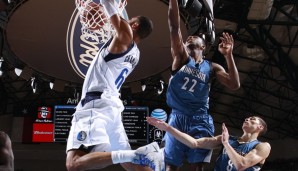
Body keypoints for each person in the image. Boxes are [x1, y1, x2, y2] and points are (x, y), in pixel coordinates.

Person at [65, 0, 155, 170]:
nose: (126, 22)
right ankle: (133, 156)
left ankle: (132, 154)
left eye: (130, 21)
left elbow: (107, 2)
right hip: (112, 108)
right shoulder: (136, 53)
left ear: (134, 25)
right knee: (131, 166)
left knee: (73, 163)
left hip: (96, 105)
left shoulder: (126, 35)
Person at [161, 0, 240, 170]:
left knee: (199, 167)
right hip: (178, 117)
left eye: (194, 37)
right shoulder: (181, 57)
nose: (189, 36)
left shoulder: (212, 67)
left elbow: (234, 85)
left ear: (203, 46)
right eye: (188, 36)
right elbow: (174, 27)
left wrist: (228, 56)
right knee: (170, 166)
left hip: (200, 119)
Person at [146, 116, 271, 171]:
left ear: (260, 127)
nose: (247, 119)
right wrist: (168, 128)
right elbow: (194, 143)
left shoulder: (263, 146)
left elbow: (242, 165)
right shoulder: (227, 139)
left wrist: (226, 144)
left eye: (252, 119)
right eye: (246, 118)